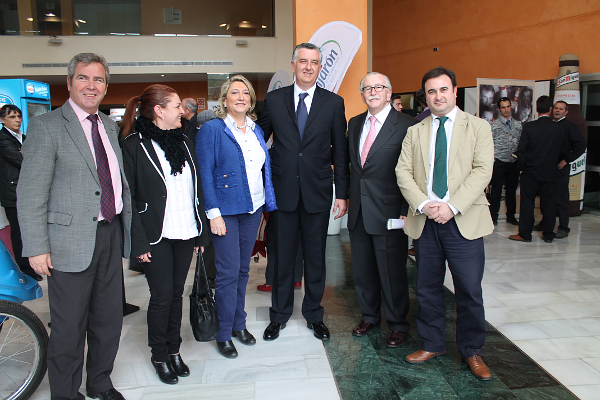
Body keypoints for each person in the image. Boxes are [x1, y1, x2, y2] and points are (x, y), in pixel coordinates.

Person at [17, 53, 132, 400]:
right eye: (83, 78)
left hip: (110, 232)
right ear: (69, 83)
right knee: (69, 327)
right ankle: (66, 394)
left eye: (98, 80)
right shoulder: (47, 126)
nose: (91, 86)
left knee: (108, 319)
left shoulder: (109, 126)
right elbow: (31, 192)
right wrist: (36, 247)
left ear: (105, 87)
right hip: (68, 240)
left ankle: (100, 383)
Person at [396, 66, 495, 381]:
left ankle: (471, 350)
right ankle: (432, 344)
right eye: (431, 91)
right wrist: (426, 205)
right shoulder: (415, 131)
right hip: (426, 221)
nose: (438, 96)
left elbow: (483, 170)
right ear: (425, 97)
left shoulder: (478, 127)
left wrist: (451, 206)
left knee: (469, 290)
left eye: (443, 89)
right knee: (427, 288)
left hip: (463, 220)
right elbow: (403, 172)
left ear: (454, 91)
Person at [258, 43, 349, 342]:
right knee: (282, 258)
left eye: (314, 62)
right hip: (282, 192)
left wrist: (342, 193)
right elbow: (258, 141)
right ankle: (279, 315)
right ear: (293, 64)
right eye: (303, 61)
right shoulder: (274, 100)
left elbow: (340, 153)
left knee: (316, 258)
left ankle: (314, 314)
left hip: (317, 193)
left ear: (320, 67)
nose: (308, 67)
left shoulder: (333, 103)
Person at [120, 84, 210, 384]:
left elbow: (195, 189)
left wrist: (200, 233)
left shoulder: (184, 142)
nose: (182, 111)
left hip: (185, 230)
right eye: (176, 106)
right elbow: (130, 198)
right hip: (155, 235)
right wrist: (138, 243)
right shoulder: (134, 145)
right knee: (160, 298)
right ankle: (159, 355)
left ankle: (174, 350)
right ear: (159, 111)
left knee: (176, 294)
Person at [197, 75, 277, 358]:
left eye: (246, 93)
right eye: (234, 92)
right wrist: (213, 214)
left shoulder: (256, 129)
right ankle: (223, 333)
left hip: (252, 209)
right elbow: (205, 174)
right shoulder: (212, 129)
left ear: (251, 100)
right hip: (225, 212)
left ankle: (238, 325)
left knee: (243, 270)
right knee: (228, 273)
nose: (241, 97)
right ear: (224, 99)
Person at [347, 72, 417, 347]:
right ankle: (369, 316)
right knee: (363, 271)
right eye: (367, 88)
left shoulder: (407, 125)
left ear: (389, 93)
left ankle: (398, 323)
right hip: (359, 210)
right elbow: (354, 168)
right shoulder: (355, 123)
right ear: (362, 94)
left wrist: (405, 209)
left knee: (392, 272)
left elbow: (414, 171)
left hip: (390, 212)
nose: (373, 92)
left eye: (379, 87)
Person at [509, 96, 570, 243]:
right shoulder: (559, 128)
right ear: (550, 109)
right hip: (550, 172)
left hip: (530, 172)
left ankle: (525, 234)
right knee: (549, 204)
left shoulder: (530, 127)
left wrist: (521, 168)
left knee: (527, 203)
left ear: (536, 109)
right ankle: (548, 234)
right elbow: (564, 150)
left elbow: (521, 150)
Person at [0, 104, 42, 281]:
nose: (17, 120)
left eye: (18, 116)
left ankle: (32, 266)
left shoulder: (24, 138)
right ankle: (25, 270)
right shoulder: (3, 139)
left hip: (28, 191)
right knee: (19, 234)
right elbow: (24, 160)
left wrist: (28, 153)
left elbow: (40, 156)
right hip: (13, 194)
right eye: (12, 117)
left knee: (29, 231)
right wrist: (27, 154)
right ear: (2, 120)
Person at [534, 101, 586, 238]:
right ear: (552, 110)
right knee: (546, 196)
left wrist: (567, 159)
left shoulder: (570, 126)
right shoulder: (551, 124)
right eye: (556, 108)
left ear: (566, 111)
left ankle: (563, 228)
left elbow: (581, 144)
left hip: (560, 166)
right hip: (547, 166)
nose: (558, 111)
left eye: (561, 109)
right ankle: (545, 223)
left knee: (561, 198)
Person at [489, 97, 522, 226]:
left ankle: (511, 216)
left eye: (508, 106)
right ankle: (493, 216)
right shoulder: (494, 125)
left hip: (513, 162)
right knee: (496, 190)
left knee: (511, 190)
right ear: (499, 109)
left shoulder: (518, 125)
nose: (506, 109)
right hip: (499, 161)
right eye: (503, 107)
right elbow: (489, 143)